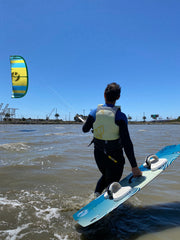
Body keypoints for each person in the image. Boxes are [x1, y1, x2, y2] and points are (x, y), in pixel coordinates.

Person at [82, 82, 142, 197]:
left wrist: (91, 123)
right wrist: (134, 167)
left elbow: (85, 129)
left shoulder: (94, 112)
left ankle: (95, 196)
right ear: (118, 97)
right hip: (115, 157)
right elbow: (127, 143)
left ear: (104, 95)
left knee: (105, 176)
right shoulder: (120, 116)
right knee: (112, 182)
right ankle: (110, 206)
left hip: (99, 154)